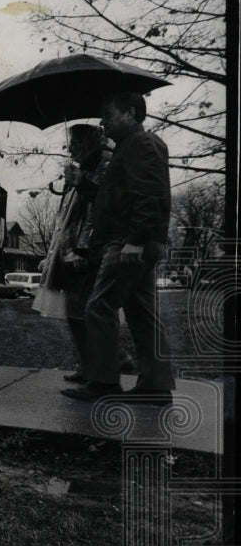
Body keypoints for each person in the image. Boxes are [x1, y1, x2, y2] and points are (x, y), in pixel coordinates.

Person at [62, 92, 175, 405]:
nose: (102, 123)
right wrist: (82, 183)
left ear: (131, 112)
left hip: (129, 242)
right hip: (134, 240)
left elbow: (151, 195)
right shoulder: (129, 147)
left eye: (108, 115)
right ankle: (155, 386)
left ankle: (103, 382)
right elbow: (115, 199)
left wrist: (135, 241)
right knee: (142, 314)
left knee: (98, 307)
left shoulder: (142, 144)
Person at [34, 124, 134, 382]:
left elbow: (108, 202)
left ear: (89, 142)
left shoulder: (108, 163)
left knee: (90, 311)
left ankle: (110, 363)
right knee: (74, 311)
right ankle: (90, 365)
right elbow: (68, 213)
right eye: (69, 145)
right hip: (71, 250)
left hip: (92, 250)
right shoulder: (84, 168)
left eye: (75, 144)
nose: (71, 151)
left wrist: (81, 183)